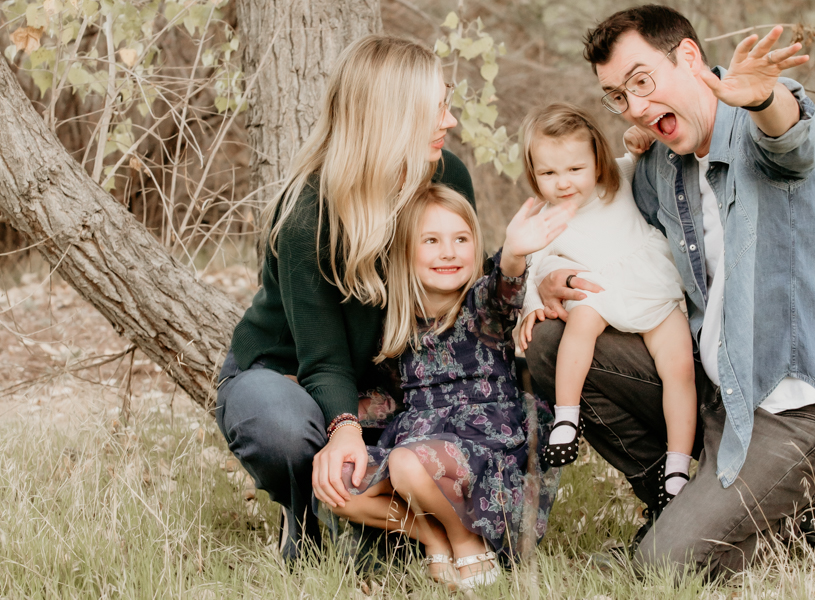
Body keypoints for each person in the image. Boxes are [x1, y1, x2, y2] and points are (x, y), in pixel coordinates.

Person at [524, 4, 815, 578]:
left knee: (663, 566)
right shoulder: (661, 164)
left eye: (642, 81)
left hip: (798, 414)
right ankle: (683, 502)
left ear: (688, 57)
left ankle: (809, 514)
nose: (635, 106)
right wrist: (548, 273)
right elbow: (608, 224)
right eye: (618, 95)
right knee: (550, 344)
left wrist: (763, 98)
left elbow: (790, 138)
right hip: (714, 394)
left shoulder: (757, 124)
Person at [214, 35, 476, 563]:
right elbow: (322, 357)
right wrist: (344, 428)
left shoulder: (445, 175)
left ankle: (372, 516)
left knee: (387, 538)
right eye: (435, 109)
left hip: (392, 377)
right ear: (391, 116)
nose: (449, 121)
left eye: (446, 104)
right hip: (293, 375)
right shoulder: (307, 210)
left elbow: (462, 290)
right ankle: (305, 513)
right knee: (283, 429)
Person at [328, 184, 569, 589]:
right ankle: (434, 537)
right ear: (405, 252)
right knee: (337, 484)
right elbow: (391, 398)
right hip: (418, 442)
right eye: (431, 241)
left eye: (461, 239)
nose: (448, 252)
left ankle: (467, 540)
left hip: (484, 445)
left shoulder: (481, 306)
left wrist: (514, 252)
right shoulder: (397, 321)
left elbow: (505, 287)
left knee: (406, 463)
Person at [517, 103, 696, 509]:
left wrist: (639, 142)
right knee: (580, 320)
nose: (563, 183)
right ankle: (566, 418)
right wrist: (530, 307)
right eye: (548, 173)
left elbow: (642, 159)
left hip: (652, 287)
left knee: (679, 369)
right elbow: (532, 270)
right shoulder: (545, 219)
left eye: (575, 169)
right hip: (597, 290)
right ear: (533, 173)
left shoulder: (618, 177)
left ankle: (677, 465)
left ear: (597, 161)